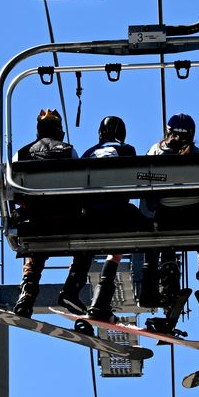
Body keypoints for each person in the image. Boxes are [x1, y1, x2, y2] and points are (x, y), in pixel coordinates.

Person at [142, 113, 199, 344]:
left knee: (168, 245)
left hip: (167, 214)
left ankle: (171, 294)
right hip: (196, 212)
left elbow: (144, 184)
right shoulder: (196, 154)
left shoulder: (155, 150)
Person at [10, 109, 93, 318]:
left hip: (37, 221)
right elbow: (79, 187)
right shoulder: (68, 151)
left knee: (35, 251)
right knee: (87, 245)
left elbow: (13, 191)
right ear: (59, 131)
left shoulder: (22, 153)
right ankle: (71, 289)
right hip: (68, 221)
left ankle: (27, 295)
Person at [78, 115, 142, 322]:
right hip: (116, 214)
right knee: (145, 227)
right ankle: (101, 302)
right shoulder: (127, 150)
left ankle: (97, 302)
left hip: (89, 218)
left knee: (100, 239)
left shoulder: (88, 153)